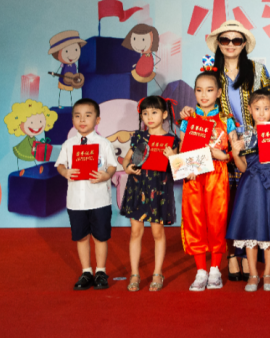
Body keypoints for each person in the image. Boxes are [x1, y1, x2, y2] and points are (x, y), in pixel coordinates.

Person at [181, 19, 270, 280]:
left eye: (236, 40)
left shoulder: (257, 70)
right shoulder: (210, 70)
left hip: (251, 144)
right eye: (225, 39)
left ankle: (245, 254)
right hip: (218, 144)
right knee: (225, 203)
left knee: (248, 199)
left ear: (244, 44)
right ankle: (231, 254)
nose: (230, 44)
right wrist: (188, 113)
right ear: (218, 44)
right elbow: (202, 104)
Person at [180, 66, 238, 291]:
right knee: (195, 221)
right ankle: (200, 271)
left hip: (217, 174)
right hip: (194, 175)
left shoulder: (227, 120)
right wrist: (187, 167)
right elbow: (182, 149)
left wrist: (222, 155)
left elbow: (233, 153)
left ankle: (215, 269)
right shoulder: (188, 119)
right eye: (199, 90)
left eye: (209, 90)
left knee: (216, 220)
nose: (204, 95)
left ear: (219, 92)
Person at [226, 89, 270, 292]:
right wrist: (235, 153)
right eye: (257, 109)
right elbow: (242, 168)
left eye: (266, 108)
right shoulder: (245, 135)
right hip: (250, 187)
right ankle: (253, 274)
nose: (262, 113)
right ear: (250, 109)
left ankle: (268, 273)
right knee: (250, 230)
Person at [54, 98, 117, 291]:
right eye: (77, 116)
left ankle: (101, 272)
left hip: (99, 199)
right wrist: (65, 172)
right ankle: (86, 271)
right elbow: (60, 165)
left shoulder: (104, 143)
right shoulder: (68, 144)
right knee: (81, 237)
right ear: (73, 120)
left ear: (97, 120)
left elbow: (112, 166)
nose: (82, 120)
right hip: (76, 201)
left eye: (88, 116)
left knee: (100, 237)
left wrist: (106, 175)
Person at [121, 96, 180, 292]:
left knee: (157, 232)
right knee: (135, 232)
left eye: (154, 112)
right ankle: (134, 273)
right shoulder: (139, 137)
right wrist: (128, 168)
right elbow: (127, 160)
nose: (149, 117)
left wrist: (173, 156)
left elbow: (179, 169)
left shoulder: (171, 140)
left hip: (159, 190)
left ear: (164, 114)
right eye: (145, 113)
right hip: (137, 188)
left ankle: (157, 273)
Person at [47, 30, 87, 107]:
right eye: (66, 51)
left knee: (70, 93)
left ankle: (72, 104)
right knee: (61, 92)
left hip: (72, 82)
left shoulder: (74, 65)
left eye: (76, 50)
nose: (72, 55)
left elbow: (77, 72)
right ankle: (59, 104)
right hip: (63, 81)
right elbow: (59, 70)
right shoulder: (63, 65)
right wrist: (55, 73)